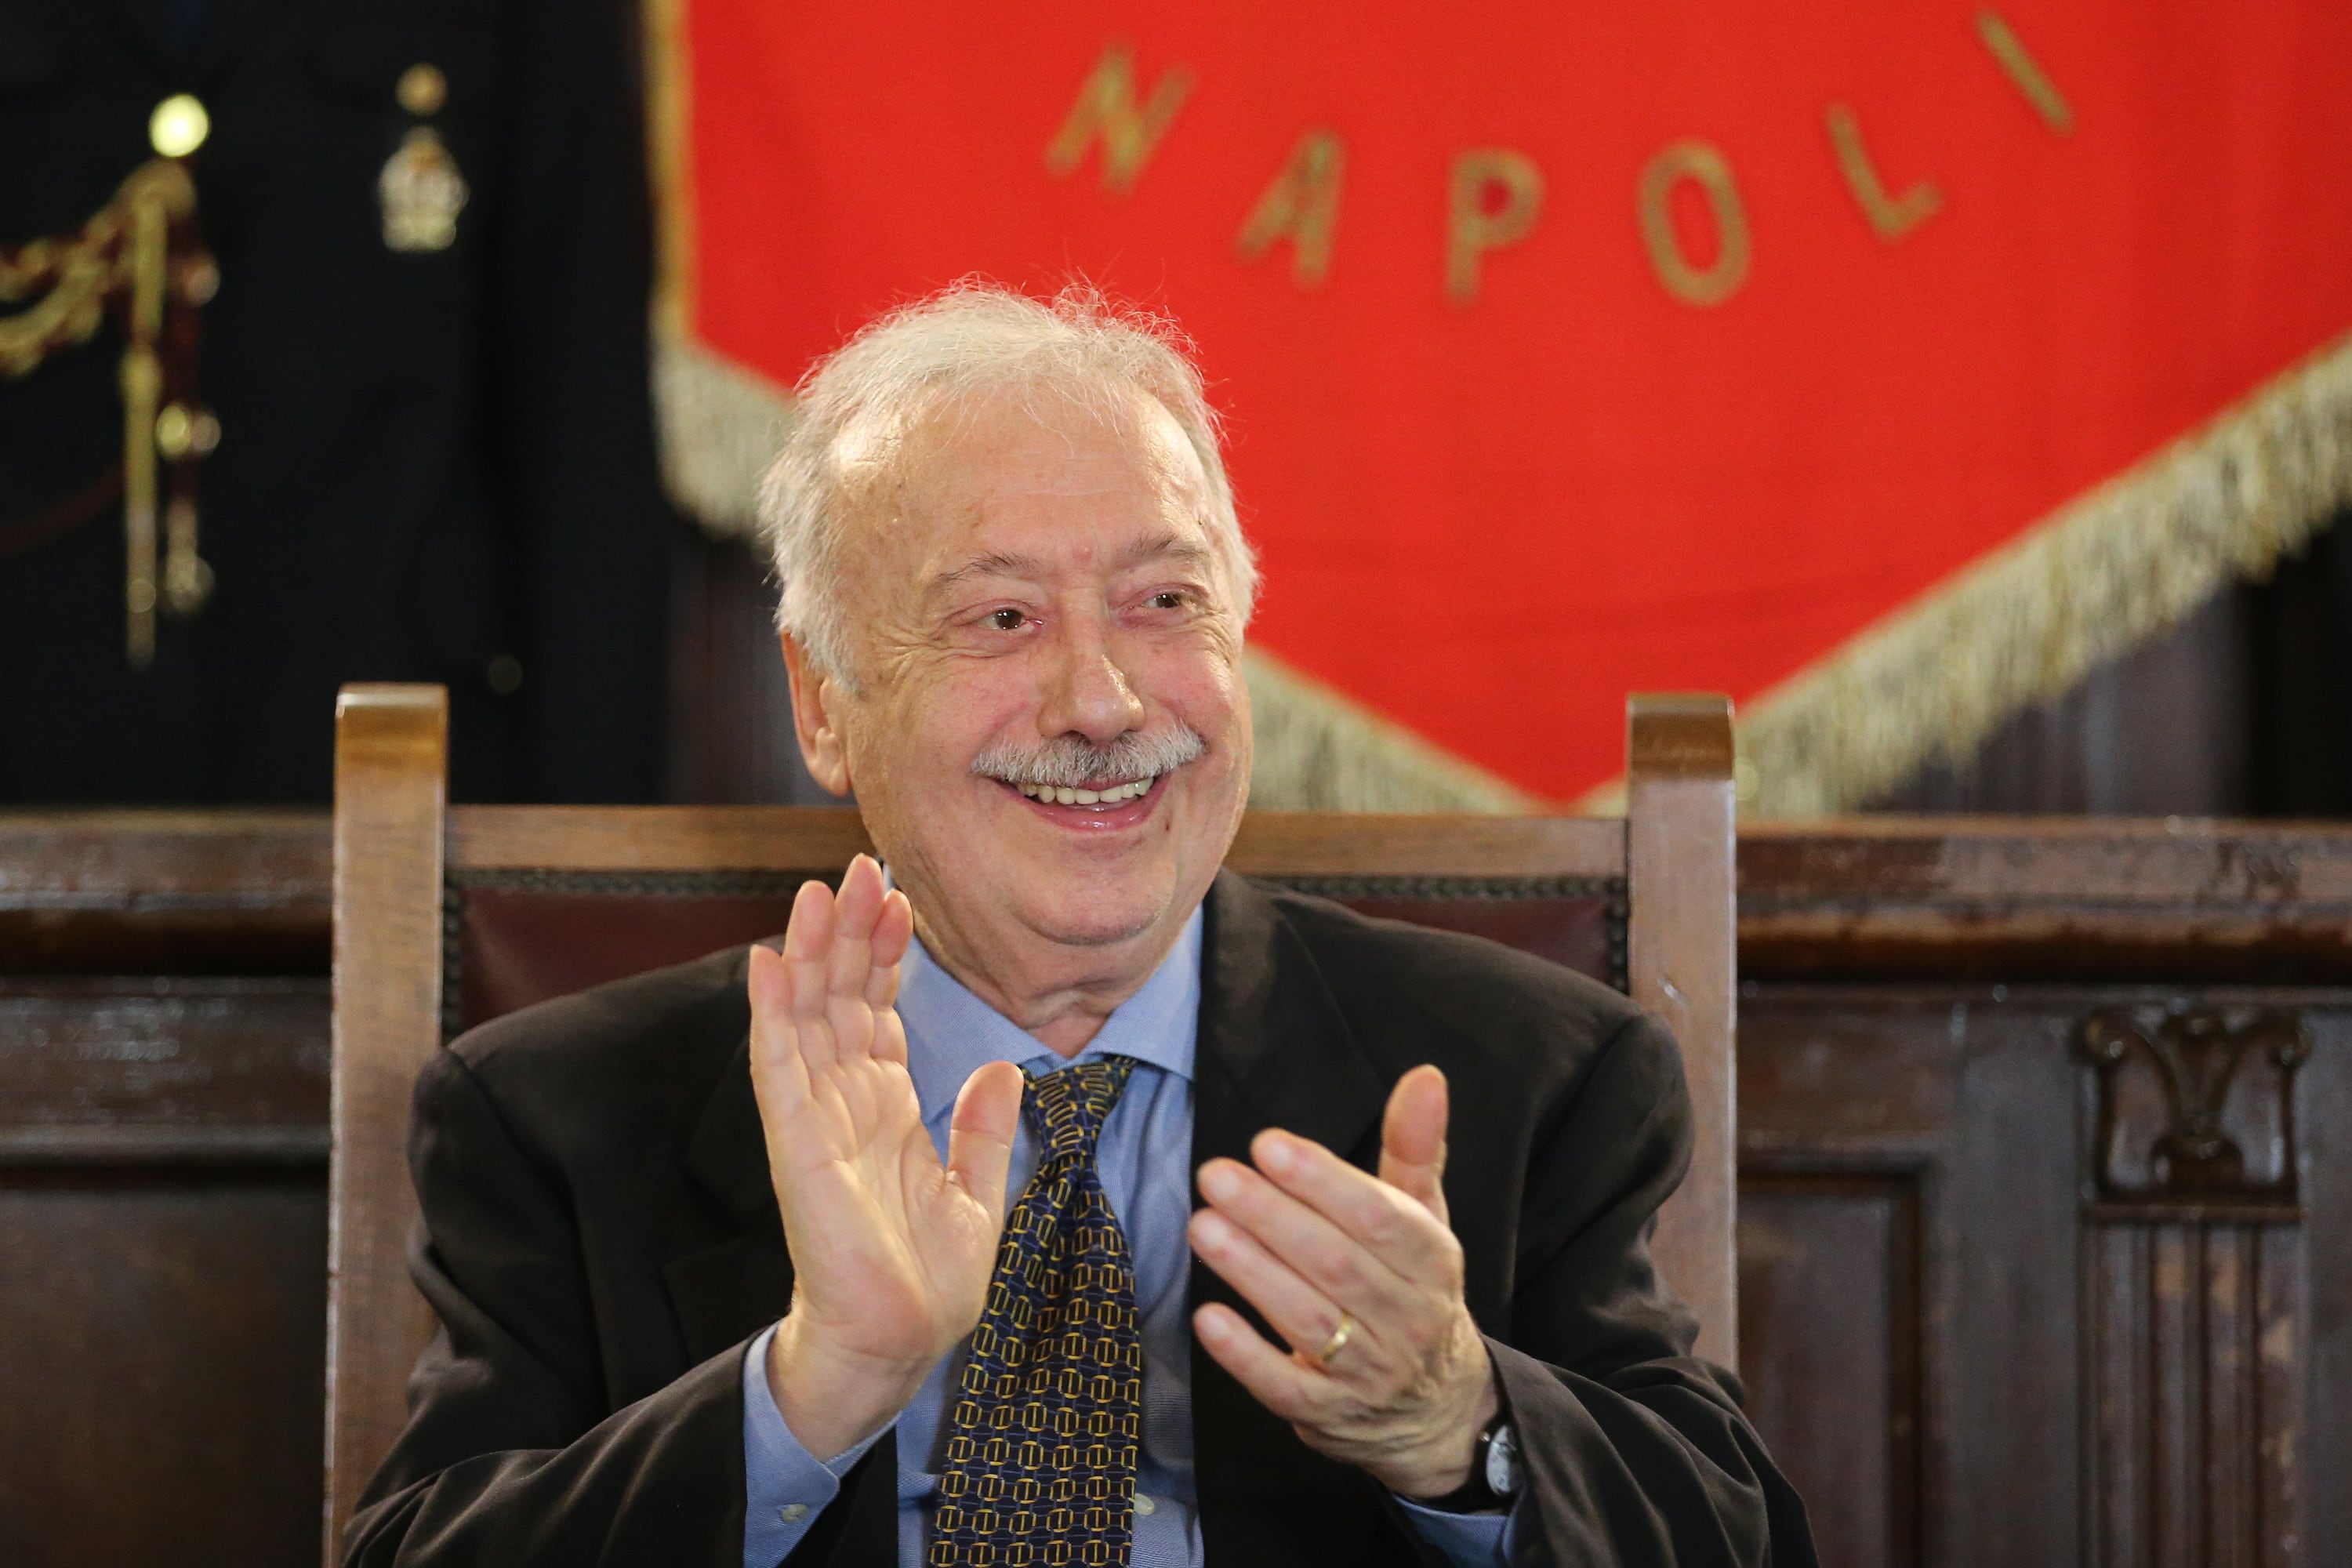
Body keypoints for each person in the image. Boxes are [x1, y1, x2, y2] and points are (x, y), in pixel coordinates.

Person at [347, 285, 1816, 1566]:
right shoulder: (558, 1115)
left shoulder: (1530, 1076)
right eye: (1000, 620)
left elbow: (1735, 1537)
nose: (1104, 705)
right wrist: (812, 1390)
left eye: (1165, 602)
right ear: (821, 703)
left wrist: (1461, 1425)